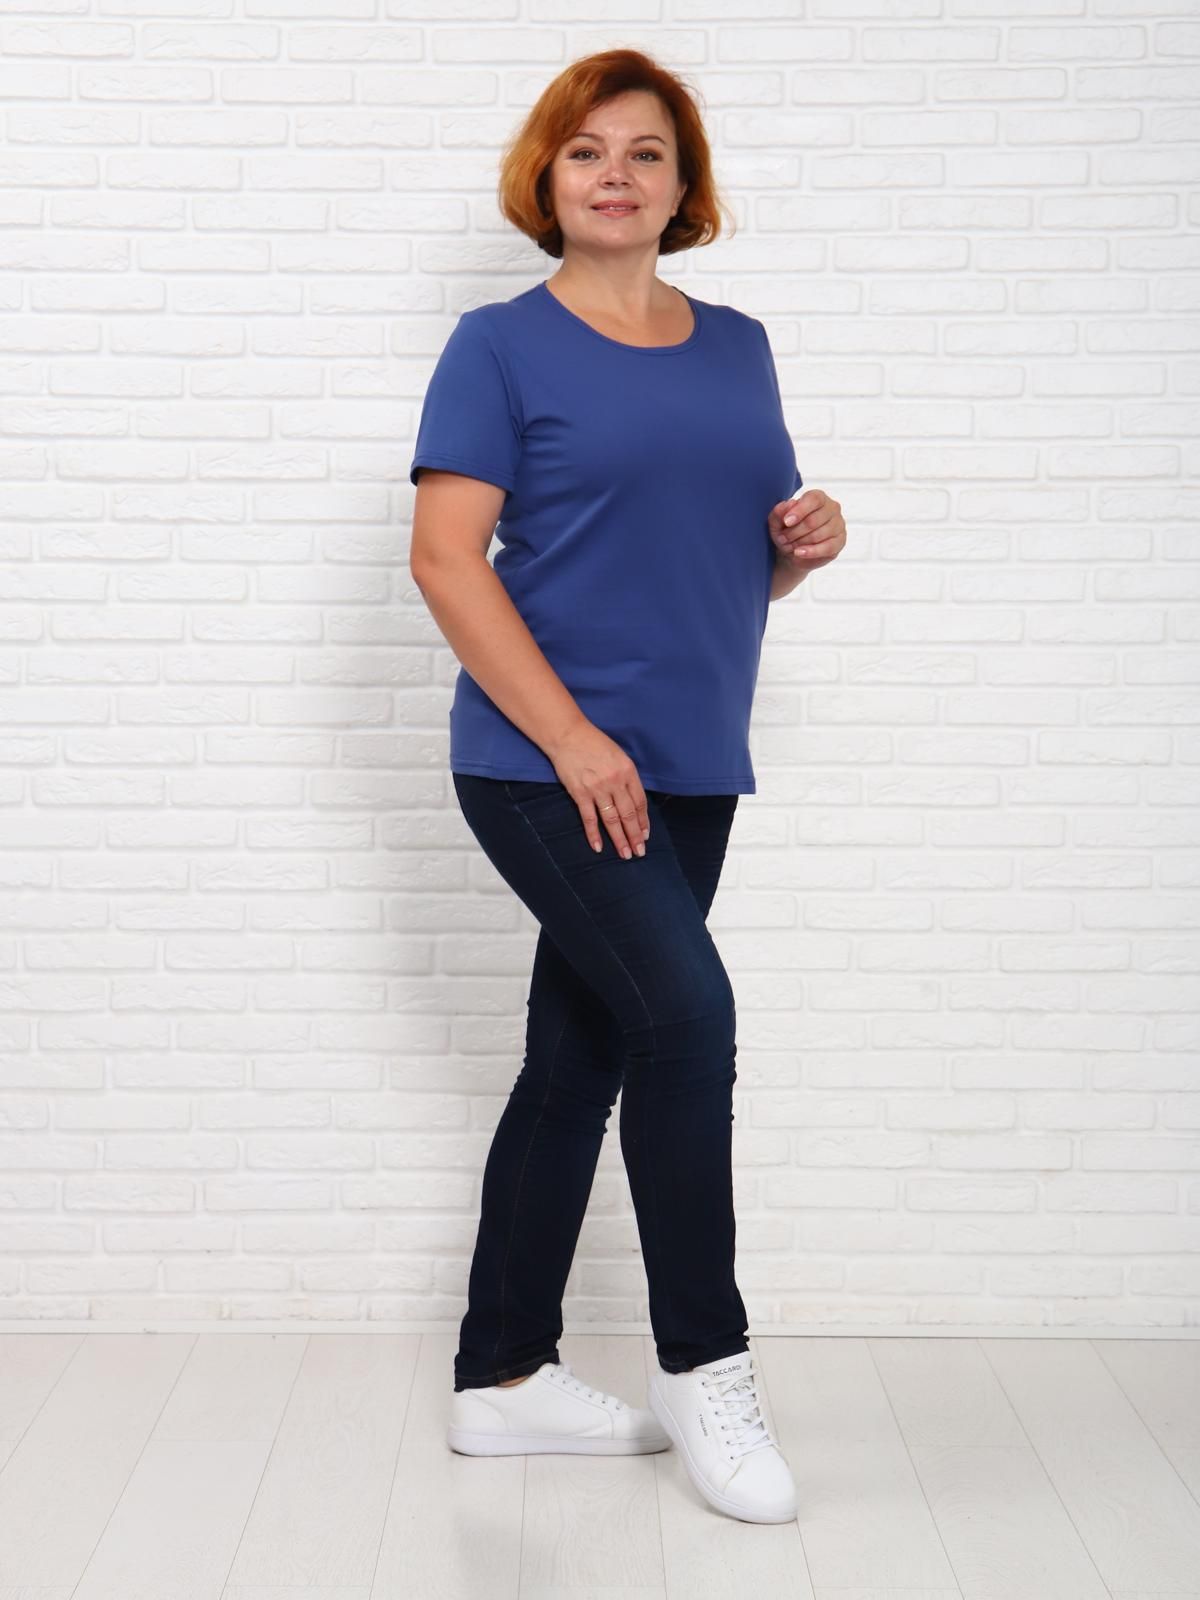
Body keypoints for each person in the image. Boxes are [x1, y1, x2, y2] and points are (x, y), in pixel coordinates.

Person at [408, 47, 845, 1525]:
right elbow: (446, 560)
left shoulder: (741, 348)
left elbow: (718, 562)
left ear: (682, 187)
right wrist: (576, 741)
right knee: (689, 1020)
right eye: (588, 149)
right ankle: (704, 1364)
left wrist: (798, 548)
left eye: (647, 152)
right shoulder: (498, 347)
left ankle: (502, 1376)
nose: (617, 173)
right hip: (546, 761)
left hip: (692, 760)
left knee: (581, 1057)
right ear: (548, 177)